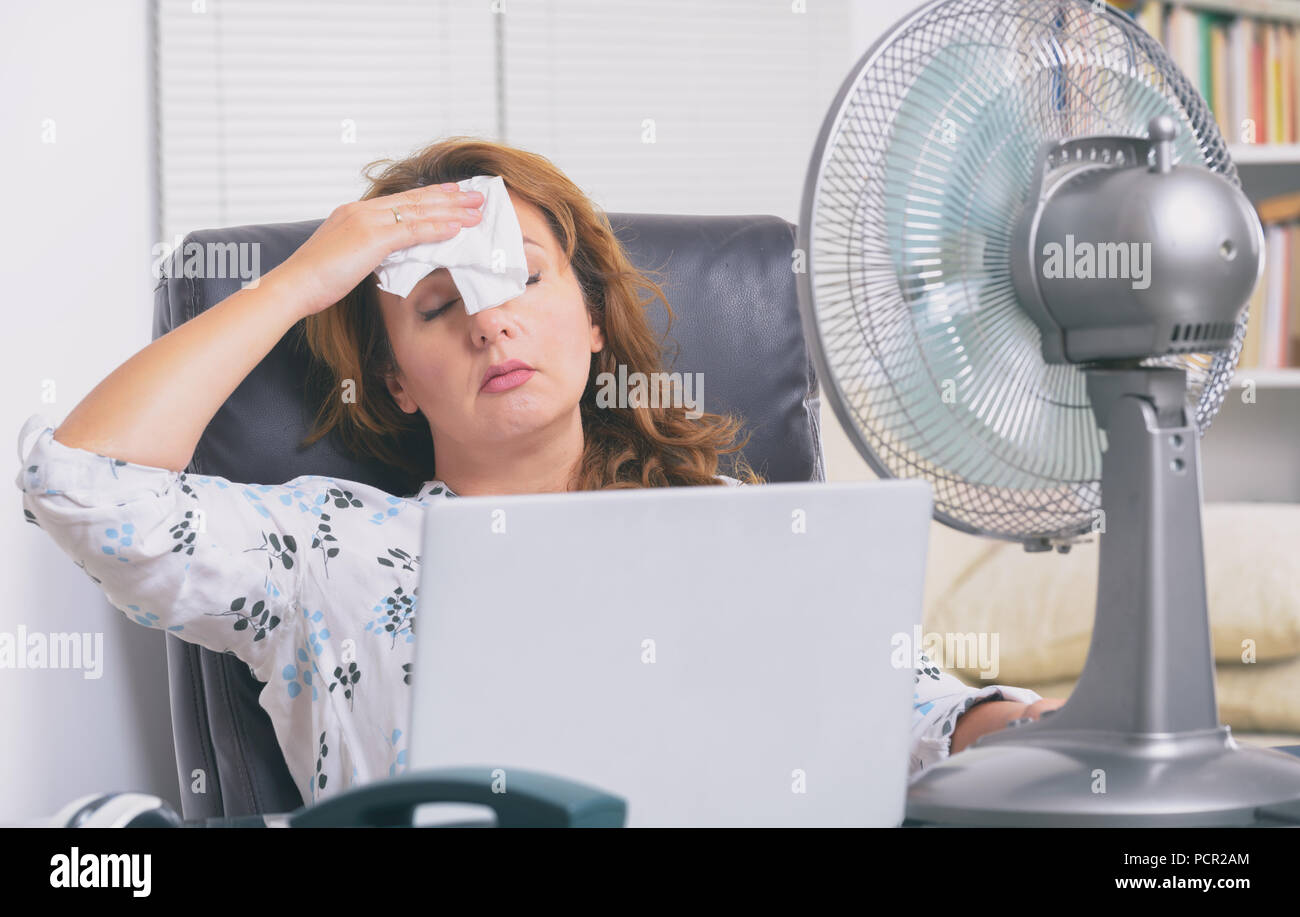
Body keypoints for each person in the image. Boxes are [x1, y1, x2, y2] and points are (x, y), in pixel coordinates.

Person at [16, 136, 1062, 808]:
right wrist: (302, 281)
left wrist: (1023, 729)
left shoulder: (730, 523)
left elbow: (909, 715)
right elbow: (84, 485)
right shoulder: (326, 550)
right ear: (398, 383)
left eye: (521, 277)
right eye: (437, 304)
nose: (489, 318)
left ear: (594, 322)